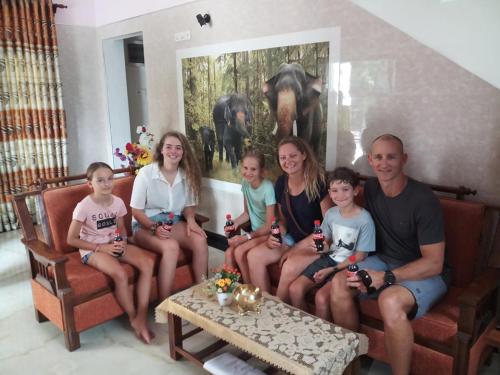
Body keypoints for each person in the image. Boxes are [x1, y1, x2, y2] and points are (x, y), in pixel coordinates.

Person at [330, 134, 448, 375]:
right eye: (378, 157)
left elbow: (434, 263)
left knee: (390, 300)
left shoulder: (423, 199)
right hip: (384, 259)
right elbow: (342, 201)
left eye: (391, 157)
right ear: (370, 161)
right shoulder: (371, 188)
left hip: (426, 271)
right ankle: (351, 363)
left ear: (404, 159)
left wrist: (386, 276)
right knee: (340, 282)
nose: (384, 163)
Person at [67, 162, 154, 344]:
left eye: (110, 179)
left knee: (147, 263)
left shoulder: (118, 202)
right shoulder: (83, 206)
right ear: (90, 183)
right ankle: (133, 319)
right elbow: (71, 239)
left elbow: (121, 228)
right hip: (93, 248)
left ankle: (141, 314)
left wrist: (121, 240)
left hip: (113, 244)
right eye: (100, 180)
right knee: (120, 274)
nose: (107, 184)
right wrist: (101, 248)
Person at [246, 136, 332, 300]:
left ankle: (277, 314)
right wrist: (277, 235)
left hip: (317, 244)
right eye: (283, 157)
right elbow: (283, 220)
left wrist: (297, 248)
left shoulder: (319, 182)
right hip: (292, 239)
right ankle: (263, 305)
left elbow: (329, 227)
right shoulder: (281, 182)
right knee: (254, 256)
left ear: (304, 155)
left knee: (289, 266)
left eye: (293, 156)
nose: (288, 161)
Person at [288, 167, 375, 320]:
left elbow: (361, 256)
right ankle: (304, 331)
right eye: (334, 190)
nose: (339, 195)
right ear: (329, 192)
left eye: (345, 189)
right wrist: (323, 246)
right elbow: (326, 241)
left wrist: (331, 270)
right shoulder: (331, 214)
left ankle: (323, 339)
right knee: (295, 289)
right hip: (329, 259)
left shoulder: (364, 219)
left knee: (321, 298)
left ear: (355, 191)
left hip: (349, 265)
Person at [130, 130, 208, 301]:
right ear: (161, 150)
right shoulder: (146, 174)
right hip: (145, 225)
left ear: (183, 152)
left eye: (178, 148)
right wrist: (154, 227)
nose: (174, 151)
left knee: (200, 239)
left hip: (172, 222)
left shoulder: (187, 175)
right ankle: (165, 304)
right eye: (169, 147)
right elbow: (136, 211)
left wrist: (191, 220)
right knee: (171, 247)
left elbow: (189, 205)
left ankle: (201, 294)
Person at [223, 150, 276, 283]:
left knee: (239, 252)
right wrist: (235, 223)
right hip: (254, 231)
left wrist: (246, 237)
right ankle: (229, 288)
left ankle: (248, 290)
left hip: (266, 232)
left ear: (261, 170)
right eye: (245, 168)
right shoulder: (245, 183)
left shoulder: (268, 188)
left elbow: (270, 225)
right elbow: (247, 213)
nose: (248, 172)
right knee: (229, 252)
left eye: (253, 169)